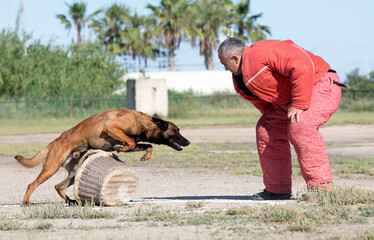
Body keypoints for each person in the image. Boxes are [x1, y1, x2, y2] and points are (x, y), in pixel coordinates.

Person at [218, 38, 345, 200]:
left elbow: (302, 64)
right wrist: (275, 119)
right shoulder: (240, 80)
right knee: (266, 130)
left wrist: (299, 103)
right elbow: (265, 105)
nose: (225, 69)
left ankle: (321, 188)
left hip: (320, 83)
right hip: (290, 100)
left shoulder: (263, 51)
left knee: (301, 126)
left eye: (224, 64)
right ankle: (277, 189)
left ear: (235, 58)